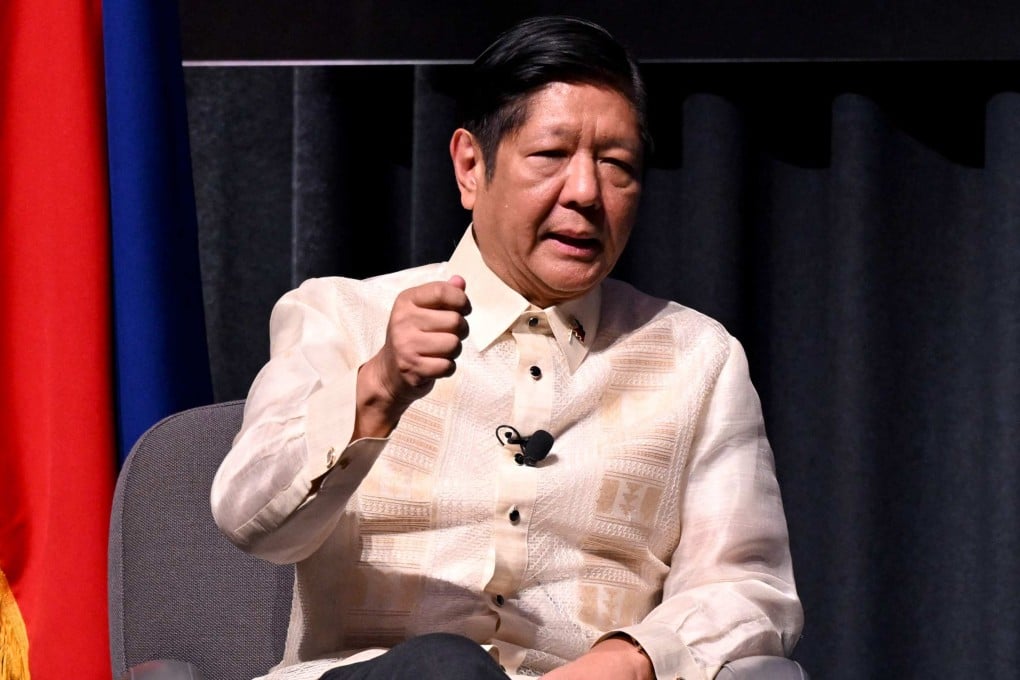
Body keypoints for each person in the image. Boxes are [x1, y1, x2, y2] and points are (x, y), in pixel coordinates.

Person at [211, 15, 803, 680]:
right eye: (551, 156)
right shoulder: (340, 315)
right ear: (471, 166)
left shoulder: (699, 360)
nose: (585, 192)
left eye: (617, 165)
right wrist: (377, 387)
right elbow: (249, 520)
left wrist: (630, 659)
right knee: (444, 669)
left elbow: (749, 589)